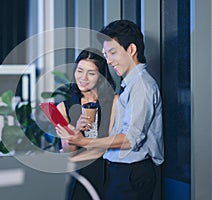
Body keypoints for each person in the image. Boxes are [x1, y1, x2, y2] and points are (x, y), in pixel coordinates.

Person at [56, 20, 164, 200]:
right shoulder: (130, 86)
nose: (109, 60)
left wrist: (83, 142)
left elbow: (130, 139)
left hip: (132, 173)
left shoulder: (141, 87)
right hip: (119, 172)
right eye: (106, 54)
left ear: (131, 50)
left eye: (113, 53)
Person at [56, 47, 118, 200]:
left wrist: (72, 157)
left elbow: (110, 143)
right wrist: (74, 130)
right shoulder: (62, 108)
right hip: (79, 178)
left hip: (108, 174)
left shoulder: (114, 101)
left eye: (91, 73)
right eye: (79, 71)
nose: (83, 78)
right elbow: (68, 150)